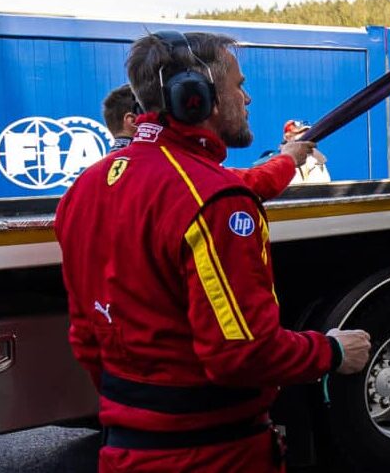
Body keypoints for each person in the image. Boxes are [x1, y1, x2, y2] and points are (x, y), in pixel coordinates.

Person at [57, 31, 370, 472]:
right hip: (213, 455)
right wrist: (333, 351)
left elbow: (85, 336)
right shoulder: (212, 201)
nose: (247, 98)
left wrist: (289, 159)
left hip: (126, 450)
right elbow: (244, 354)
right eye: (238, 85)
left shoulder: (87, 189)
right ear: (196, 98)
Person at [104, 85, 316, 200]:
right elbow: (238, 183)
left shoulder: (90, 182)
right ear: (133, 120)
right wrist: (288, 159)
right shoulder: (172, 173)